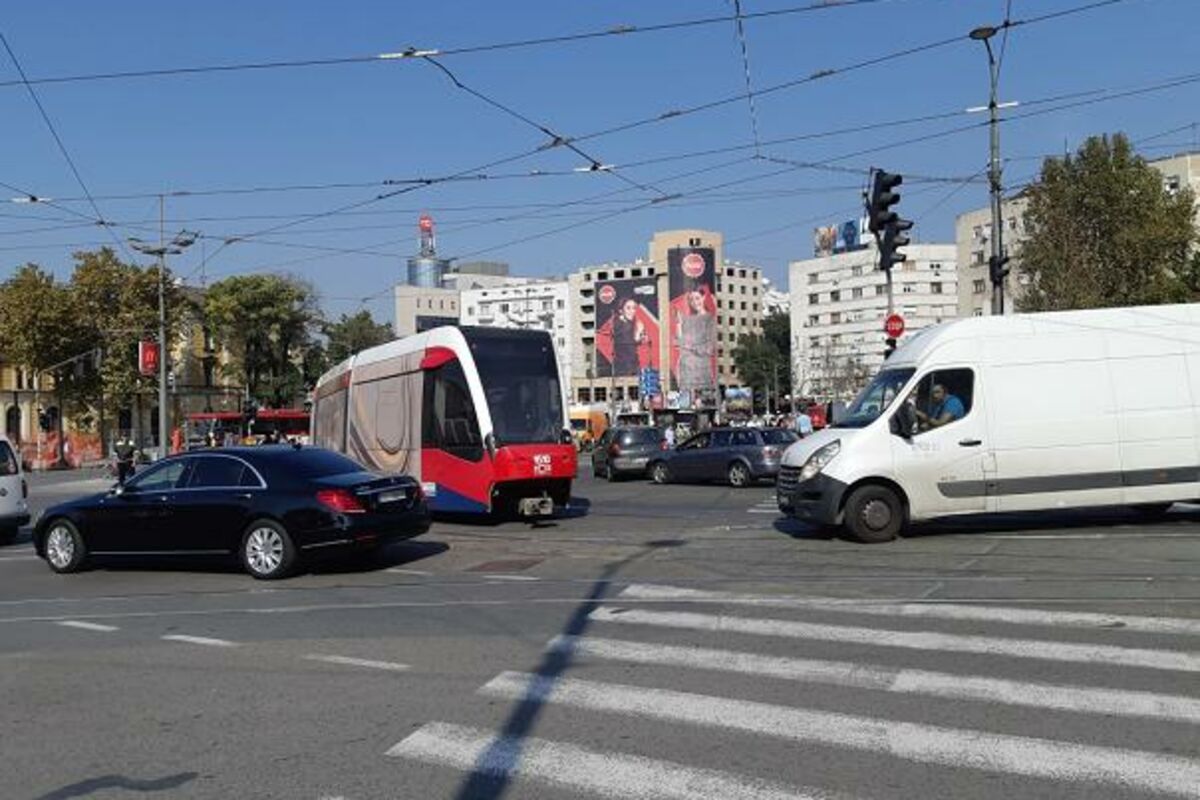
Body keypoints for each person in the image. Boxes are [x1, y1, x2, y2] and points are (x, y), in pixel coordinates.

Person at [676, 286, 715, 394]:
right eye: (691, 299)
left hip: (702, 372)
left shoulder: (710, 319)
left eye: (697, 298)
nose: (694, 302)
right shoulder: (686, 319)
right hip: (685, 372)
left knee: (703, 398)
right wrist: (678, 324)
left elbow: (709, 350)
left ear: (703, 297)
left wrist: (687, 346)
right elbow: (678, 341)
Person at [611, 298, 645, 377]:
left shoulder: (627, 323)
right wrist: (639, 333)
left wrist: (640, 335)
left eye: (634, 308)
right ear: (621, 310)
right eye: (628, 308)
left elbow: (633, 342)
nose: (632, 311)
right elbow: (629, 345)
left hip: (629, 364)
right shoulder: (621, 324)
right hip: (625, 366)